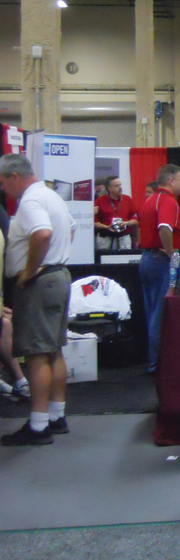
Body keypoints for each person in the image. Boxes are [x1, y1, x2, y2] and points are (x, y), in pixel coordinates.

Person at [0, 153, 76, 447]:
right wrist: (55, 258)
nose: (4, 189)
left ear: (15, 176)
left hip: (40, 283)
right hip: (58, 276)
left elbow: (42, 234)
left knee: (35, 354)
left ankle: (38, 425)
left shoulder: (30, 201)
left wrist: (29, 271)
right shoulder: (50, 195)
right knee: (53, 350)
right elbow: (69, 228)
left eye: (4, 182)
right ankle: (56, 416)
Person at [138, 164, 180, 374]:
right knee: (160, 313)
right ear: (171, 181)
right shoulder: (167, 201)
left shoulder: (151, 200)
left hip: (149, 258)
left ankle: (155, 362)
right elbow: (164, 227)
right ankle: (157, 365)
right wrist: (171, 253)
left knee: (153, 312)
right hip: (160, 260)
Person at [93, 175, 139, 251]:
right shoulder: (100, 201)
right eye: (116, 186)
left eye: (120, 185)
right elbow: (95, 222)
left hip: (123, 237)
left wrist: (126, 223)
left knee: (125, 260)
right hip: (105, 237)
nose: (120, 187)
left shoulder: (127, 199)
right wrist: (107, 227)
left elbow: (136, 219)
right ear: (109, 188)